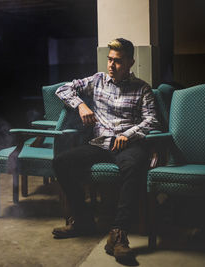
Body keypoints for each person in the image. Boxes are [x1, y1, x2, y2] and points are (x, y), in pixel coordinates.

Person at [52, 38, 160, 261]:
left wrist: (127, 135)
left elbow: (151, 121)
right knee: (62, 162)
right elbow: (63, 89)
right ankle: (82, 220)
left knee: (134, 166)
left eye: (118, 61)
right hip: (99, 142)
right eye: (110, 59)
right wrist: (81, 105)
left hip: (127, 144)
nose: (111, 65)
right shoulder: (98, 80)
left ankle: (118, 235)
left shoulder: (142, 88)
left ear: (130, 62)